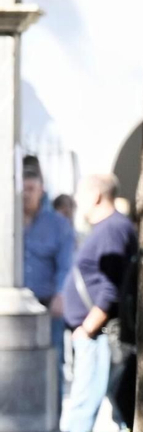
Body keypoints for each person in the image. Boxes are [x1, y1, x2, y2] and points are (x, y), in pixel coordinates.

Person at [60, 174, 136, 432]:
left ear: (95, 196)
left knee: (87, 403)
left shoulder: (112, 229)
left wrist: (88, 327)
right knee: (118, 405)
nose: (78, 201)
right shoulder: (109, 228)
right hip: (97, 333)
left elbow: (111, 286)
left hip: (99, 334)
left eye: (81, 194)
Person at [21, 159, 74, 397]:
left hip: (46, 305)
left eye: (31, 189)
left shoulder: (58, 225)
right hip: (14, 306)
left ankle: (53, 412)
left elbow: (66, 264)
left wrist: (61, 294)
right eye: (22, 189)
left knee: (52, 364)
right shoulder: (9, 220)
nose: (26, 194)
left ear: (41, 190)